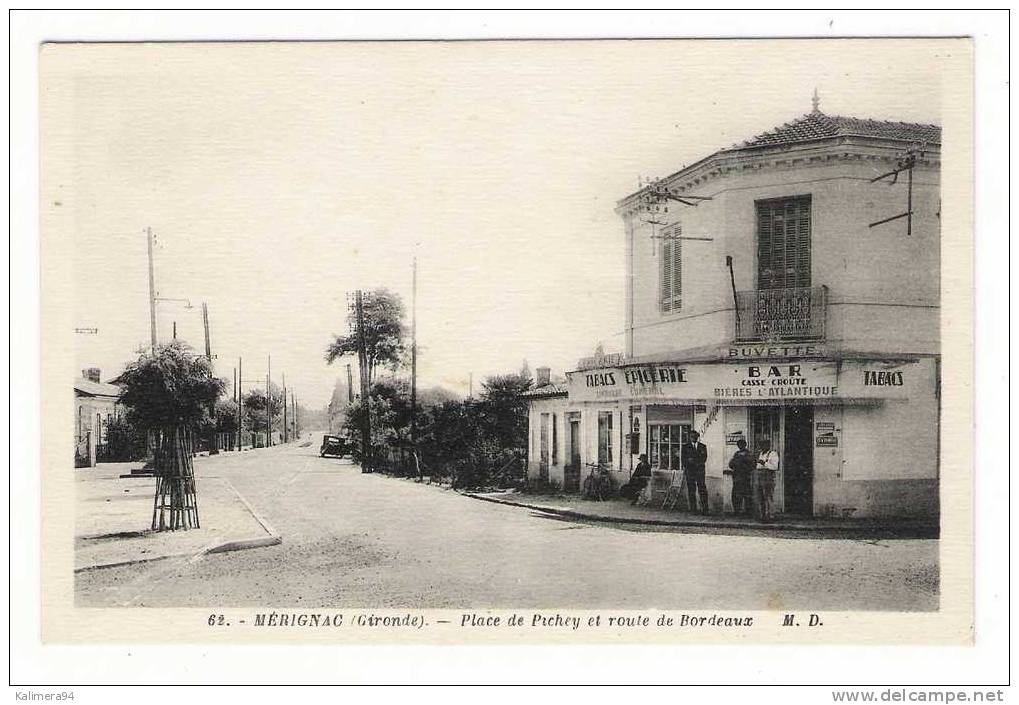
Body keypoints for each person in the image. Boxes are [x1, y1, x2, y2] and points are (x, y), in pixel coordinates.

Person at [681, 430, 709, 515]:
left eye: (695, 437)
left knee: (702, 490)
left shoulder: (702, 446)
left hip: (700, 471)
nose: (694, 438)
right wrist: (689, 463)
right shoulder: (685, 447)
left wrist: (695, 461)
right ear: (689, 437)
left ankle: (705, 509)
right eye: (692, 437)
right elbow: (683, 460)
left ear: (698, 437)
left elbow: (704, 458)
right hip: (690, 472)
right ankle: (693, 509)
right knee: (691, 491)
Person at [725, 439, 754, 516]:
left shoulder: (749, 454)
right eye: (739, 445)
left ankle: (748, 511)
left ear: (745, 445)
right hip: (737, 477)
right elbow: (731, 464)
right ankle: (737, 510)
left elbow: (752, 465)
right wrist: (737, 463)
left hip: (745, 477)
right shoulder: (736, 454)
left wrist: (742, 463)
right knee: (736, 495)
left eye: (742, 445)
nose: (740, 446)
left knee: (747, 494)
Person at [756, 439, 780, 522]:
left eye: (763, 445)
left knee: (768, 496)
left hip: (768, 477)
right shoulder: (761, 454)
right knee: (761, 497)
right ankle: (763, 515)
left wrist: (764, 463)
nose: (762, 447)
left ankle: (771, 515)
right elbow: (758, 466)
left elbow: (775, 467)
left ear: (768, 446)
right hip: (760, 476)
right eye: (761, 445)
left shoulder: (773, 454)